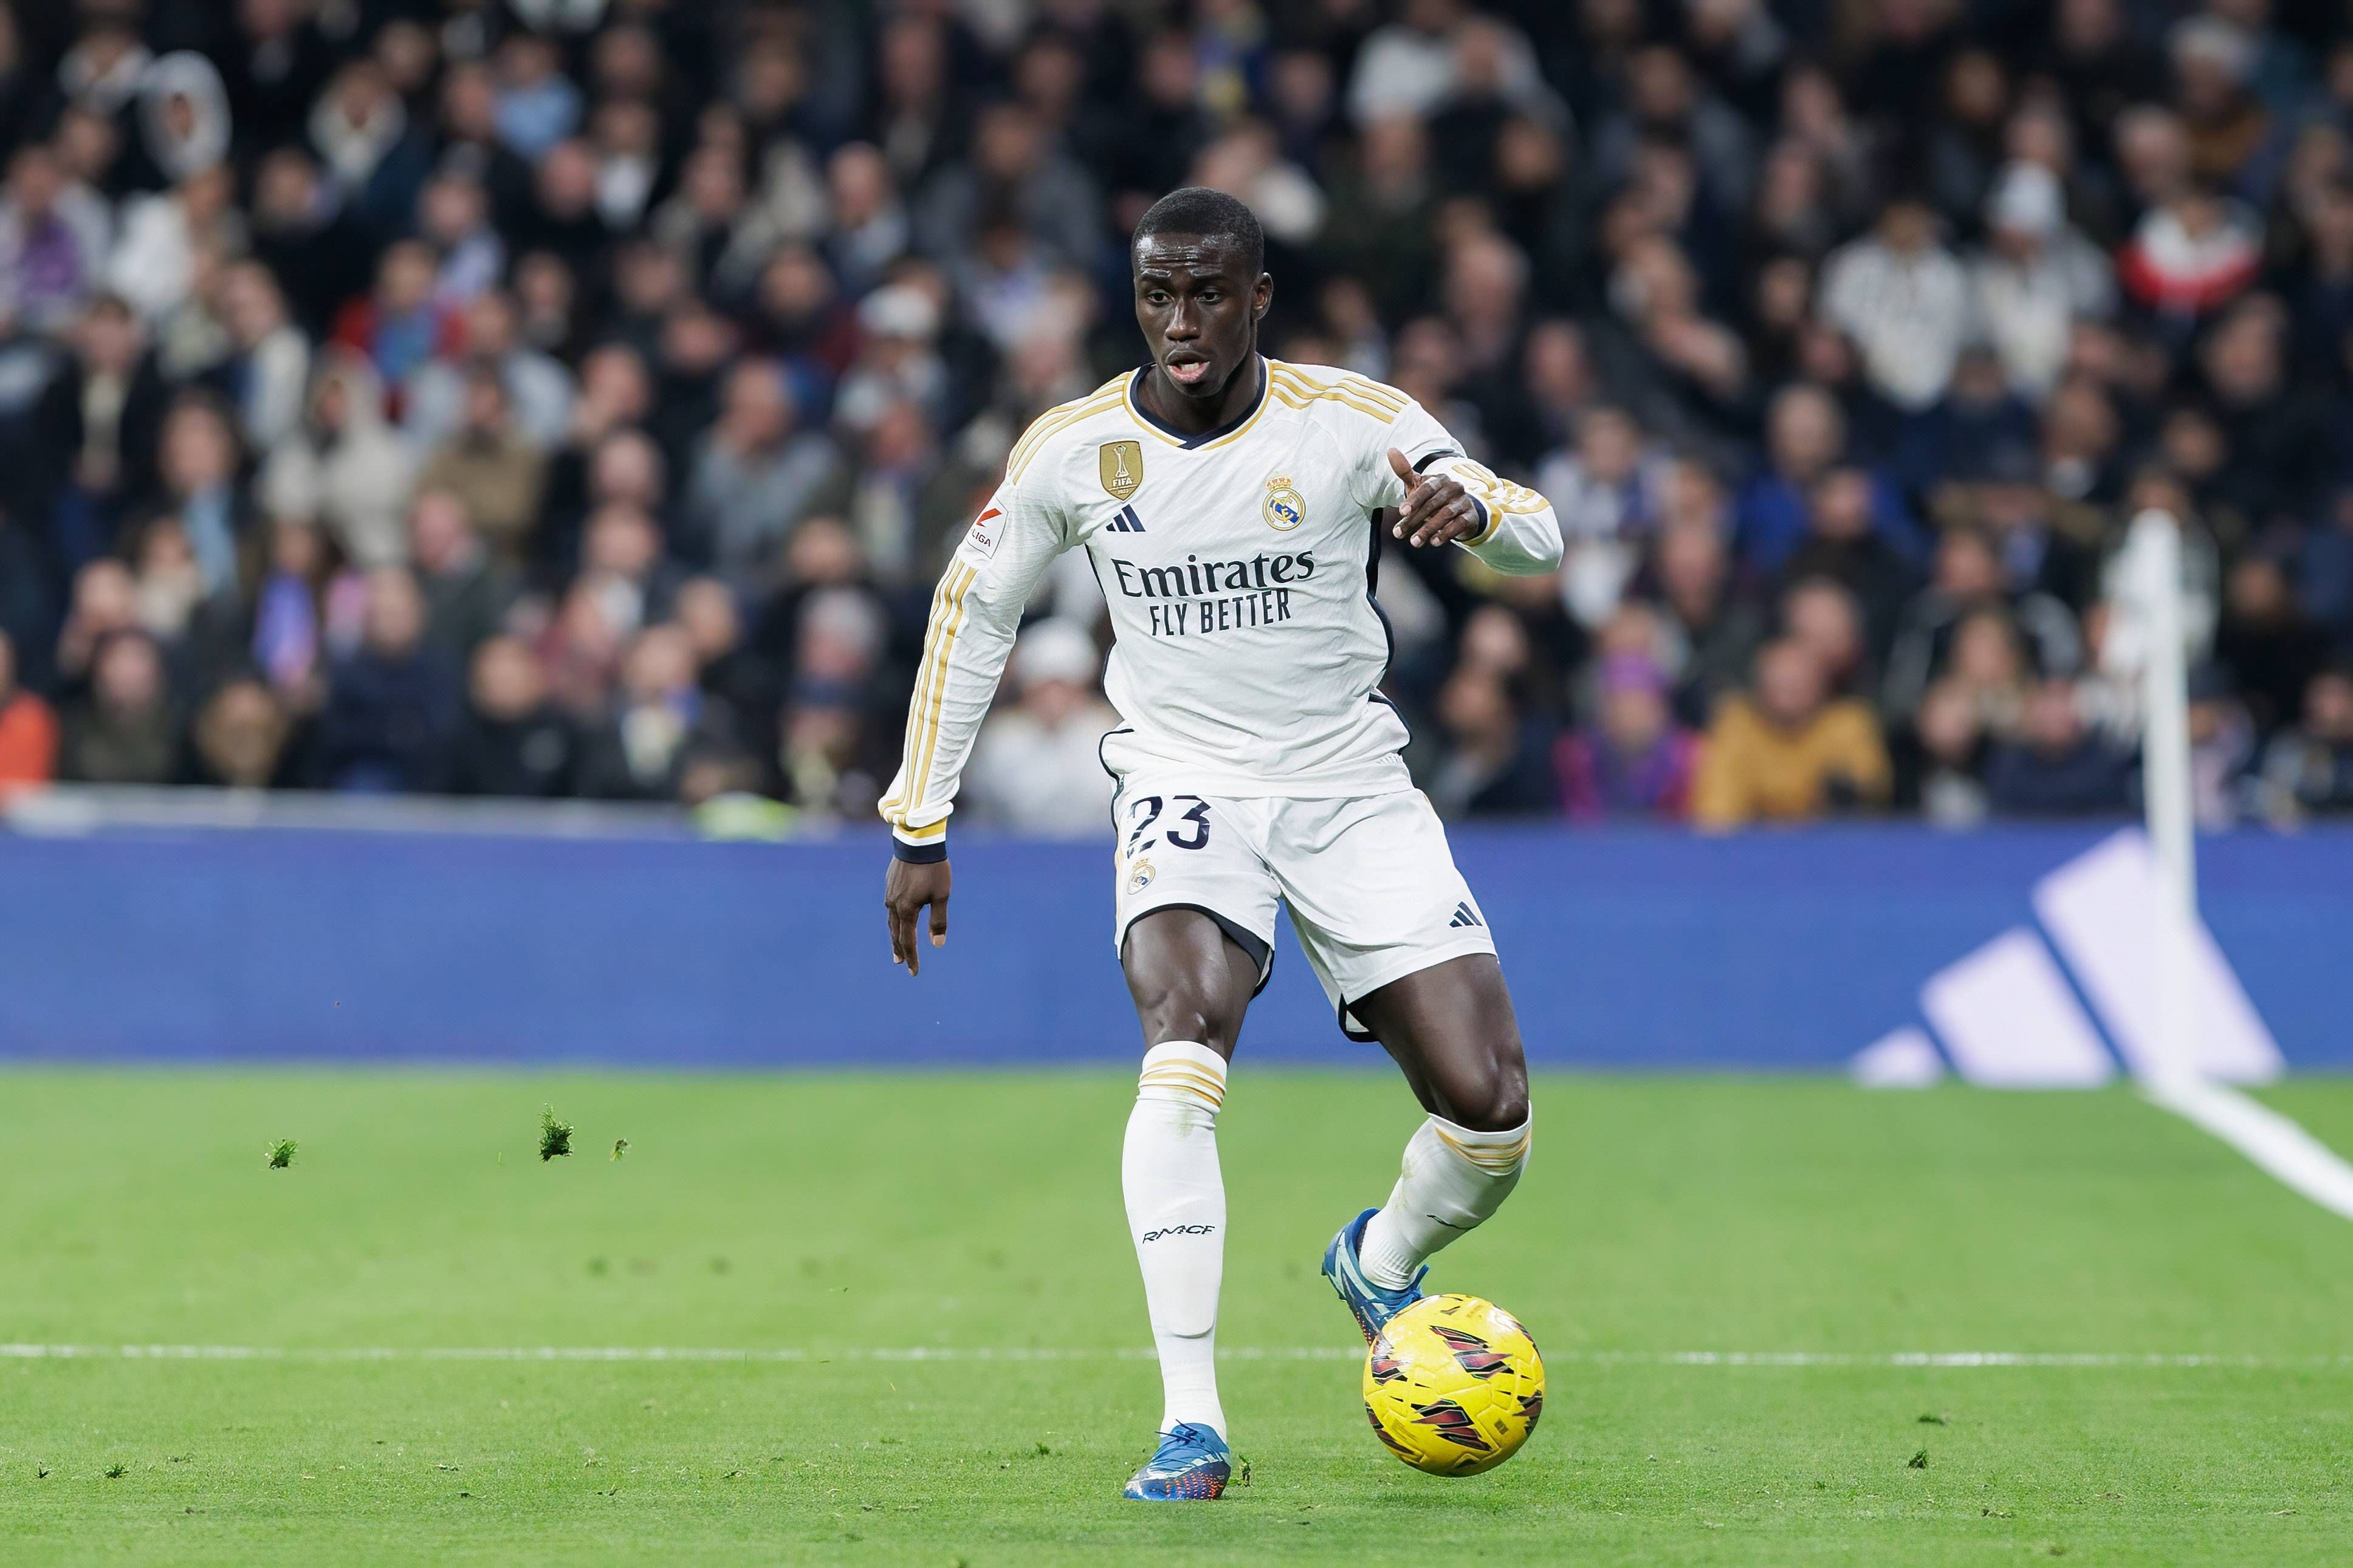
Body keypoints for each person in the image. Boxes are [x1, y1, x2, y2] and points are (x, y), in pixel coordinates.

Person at [875, 189, 1562, 1502]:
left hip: (1348, 783)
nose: (1180, 323)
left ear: (1258, 300)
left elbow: (1538, 529)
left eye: (1207, 295)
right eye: (1157, 297)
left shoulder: (1350, 420)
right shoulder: (1076, 450)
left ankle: (1378, 1259)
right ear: (1134, 302)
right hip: (1184, 778)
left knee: (1490, 1115)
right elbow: (972, 615)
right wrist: (921, 815)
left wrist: (1470, 511)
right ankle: (1190, 1422)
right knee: (1183, 1038)